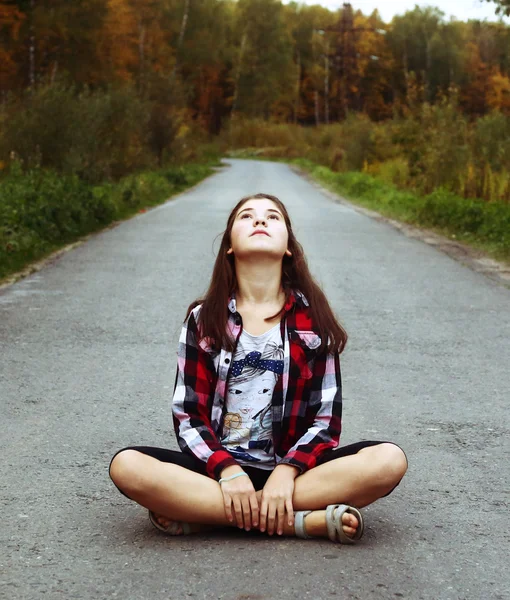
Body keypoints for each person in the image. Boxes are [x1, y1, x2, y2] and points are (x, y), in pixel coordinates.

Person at [109, 193, 408, 543]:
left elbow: (326, 421)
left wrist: (286, 471)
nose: (260, 221)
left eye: (273, 217)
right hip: (218, 473)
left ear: (289, 248)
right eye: (247, 216)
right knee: (127, 466)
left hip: (296, 475)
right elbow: (188, 415)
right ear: (229, 247)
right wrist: (228, 470)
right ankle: (296, 522)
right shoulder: (204, 320)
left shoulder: (313, 320)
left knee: (388, 461)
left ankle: (208, 515)